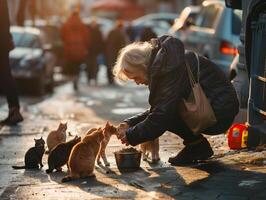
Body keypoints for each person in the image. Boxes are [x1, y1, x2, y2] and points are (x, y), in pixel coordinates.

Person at [114, 35, 239, 165]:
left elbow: (161, 116)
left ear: (142, 66)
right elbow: (161, 107)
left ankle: (196, 147)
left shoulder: (168, 70)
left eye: (135, 77)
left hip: (220, 111)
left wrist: (131, 135)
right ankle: (197, 146)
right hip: (217, 104)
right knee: (168, 110)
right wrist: (130, 123)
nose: (137, 83)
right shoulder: (165, 62)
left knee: (168, 114)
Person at [0, 0, 23, 126]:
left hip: (1, 42)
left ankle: (14, 111)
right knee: (5, 75)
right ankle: (14, 110)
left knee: (5, 76)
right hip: (3, 41)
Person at [60, 10, 90, 91]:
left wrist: (66, 43)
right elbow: (86, 37)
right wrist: (85, 47)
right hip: (80, 49)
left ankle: (73, 79)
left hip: (69, 49)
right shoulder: (81, 24)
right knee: (77, 66)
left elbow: (62, 35)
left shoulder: (67, 24)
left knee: (71, 65)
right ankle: (76, 79)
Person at [105, 20, 127, 85]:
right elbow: (123, 44)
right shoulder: (121, 33)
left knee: (109, 65)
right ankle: (112, 79)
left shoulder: (111, 31)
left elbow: (106, 41)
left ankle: (109, 79)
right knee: (115, 65)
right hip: (116, 52)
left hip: (109, 51)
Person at [86, 18, 104, 86]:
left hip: (95, 52)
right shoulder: (88, 31)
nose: (93, 25)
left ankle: (95, 79)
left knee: (95, 67)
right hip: (88, 52)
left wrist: (100, 50)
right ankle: (89, 79)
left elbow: (101, 42)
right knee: (88, 67)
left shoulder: (98, 31)